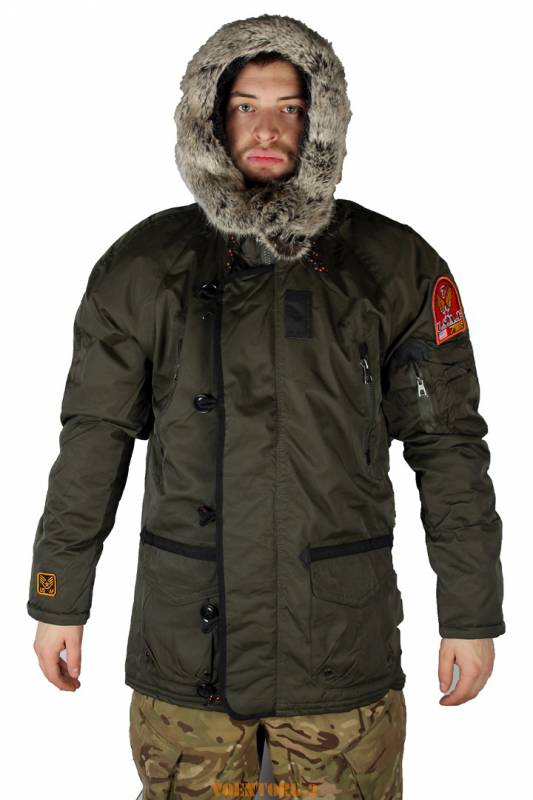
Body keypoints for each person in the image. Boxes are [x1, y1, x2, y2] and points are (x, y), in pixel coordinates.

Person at [27, 13, 505, 800]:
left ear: (322, 123)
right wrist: (58, 595)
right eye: (245, 106)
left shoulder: (394, 264)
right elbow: (93, 439)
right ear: (210, 120)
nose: (267, 128)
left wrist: (470, 613)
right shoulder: (144, 263)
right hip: (187, 654)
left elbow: (448, 444)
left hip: (336, 652)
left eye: (289, 107)